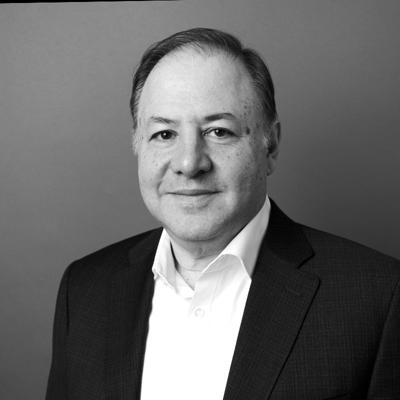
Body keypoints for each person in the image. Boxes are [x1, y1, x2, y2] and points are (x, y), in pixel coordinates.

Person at [46, 28, 400, 400]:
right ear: (137, 144)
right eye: (164, 134)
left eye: (218, 131)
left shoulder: (380, 297)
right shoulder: (84, 289)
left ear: (270, 146)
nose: (189, 163)